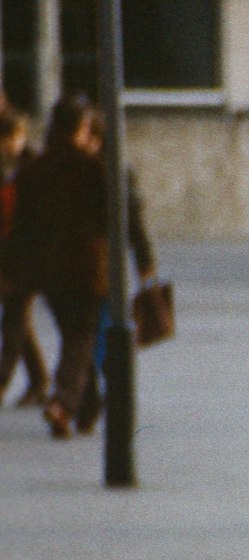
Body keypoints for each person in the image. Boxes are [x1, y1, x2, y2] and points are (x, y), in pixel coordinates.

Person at [6, 96, 154, 439]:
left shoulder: (33, 171)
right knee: (80, 337)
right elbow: (123, 218)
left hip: (46, 270)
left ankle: (85, 407)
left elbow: (21, 226)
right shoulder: (96, 170)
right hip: (88, 267)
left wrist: (13, 270)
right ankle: (63, 403)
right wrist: (144, 260)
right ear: (81, 129)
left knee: (73, 333)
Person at [0, 108, 49, 407]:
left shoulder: (32, 167)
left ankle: (3, 380)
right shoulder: (9, 167)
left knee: (14, 317)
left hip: (29, 254)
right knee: (19, 318)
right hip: (10, 253)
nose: (7, 145)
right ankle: (39, 380)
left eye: (11, 139)